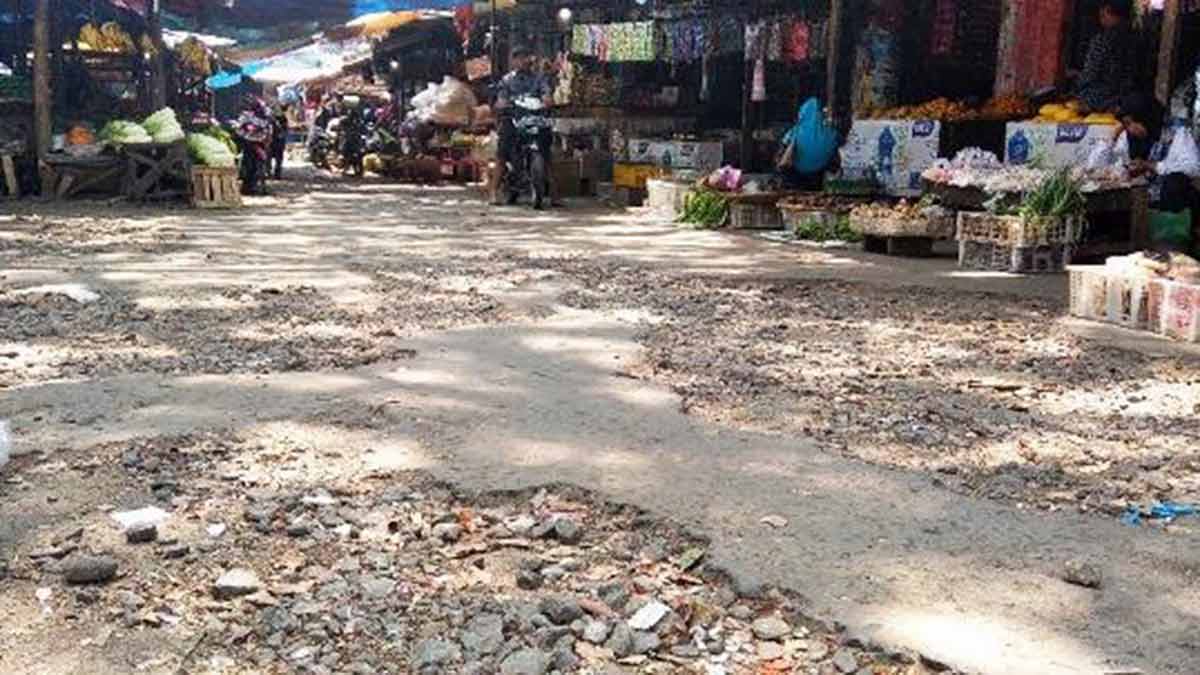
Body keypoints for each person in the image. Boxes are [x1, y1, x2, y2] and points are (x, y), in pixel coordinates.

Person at [493, 47, 553, 205]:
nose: (523, 61)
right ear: (513, 61)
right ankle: (493, 191)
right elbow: (501, 98)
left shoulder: (539, 78)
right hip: (513, 119)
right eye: (518, 58)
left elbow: (546, 93)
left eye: (525, 57)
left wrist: (547, 99)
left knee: (547, 150)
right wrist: (502, 103)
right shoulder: (507, 80)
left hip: (534, 118)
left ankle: (555, 193)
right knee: (502, 154)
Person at [1077, 0, 1137, 113]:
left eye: (1102, 15)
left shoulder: (1102, 41)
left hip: (1102, 104)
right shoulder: (1138, 39)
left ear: (1106, 12)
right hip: (1127, 104)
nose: (1101, 20)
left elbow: (1089, 75)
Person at [270, 105, 289, 180]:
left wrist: (282, 135)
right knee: (269, 157)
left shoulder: (283, 118)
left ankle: (277, 174)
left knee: (278, 158)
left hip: (279, 141)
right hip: (272, 140)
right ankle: (268, 172)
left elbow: (285, 129)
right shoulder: (270, 118)